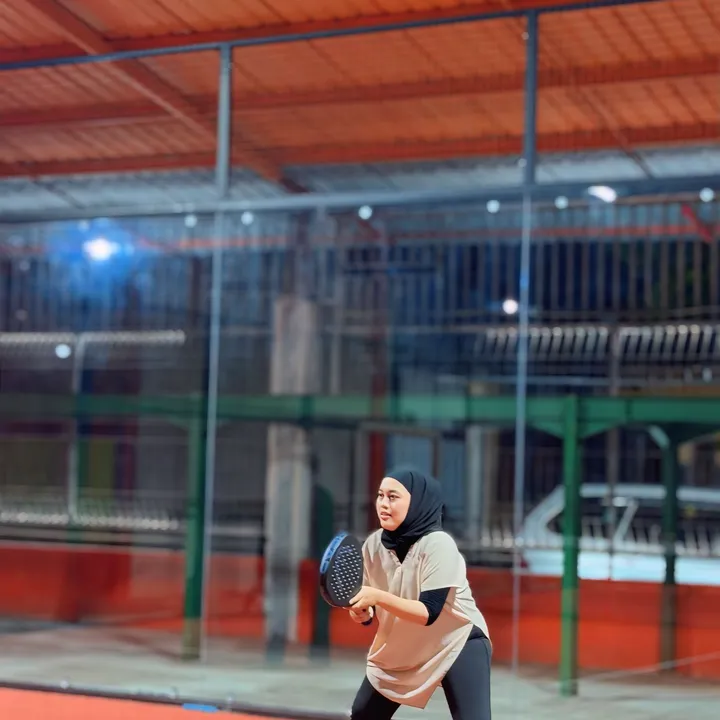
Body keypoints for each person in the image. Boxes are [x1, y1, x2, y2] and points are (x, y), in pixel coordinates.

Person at [348, 467, 492, 720]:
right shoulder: (372, 545)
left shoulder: (438, 544)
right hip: (404, 645)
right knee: (363, 714)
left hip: (455, 641)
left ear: (417, 502)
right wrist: (364, 613)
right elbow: (372, 605)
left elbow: (428, 612)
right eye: (380, 495)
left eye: (393, 497)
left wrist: (377, 597)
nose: (383, 503)